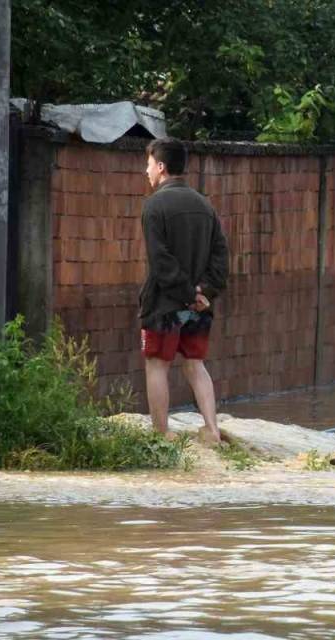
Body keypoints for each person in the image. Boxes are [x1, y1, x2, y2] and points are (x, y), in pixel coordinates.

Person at [139, 137, 229, 443]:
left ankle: (162, 435)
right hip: (200, 306)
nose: (146, 171)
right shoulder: (205, 205)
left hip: (165, 304)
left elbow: (160, 260)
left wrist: (188, 294)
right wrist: (205, 292)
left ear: (161, 167)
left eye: (149, 165)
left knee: (156, 364)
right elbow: (221, 256)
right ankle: (212, 430)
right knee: (195, 364)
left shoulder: (154, 206)